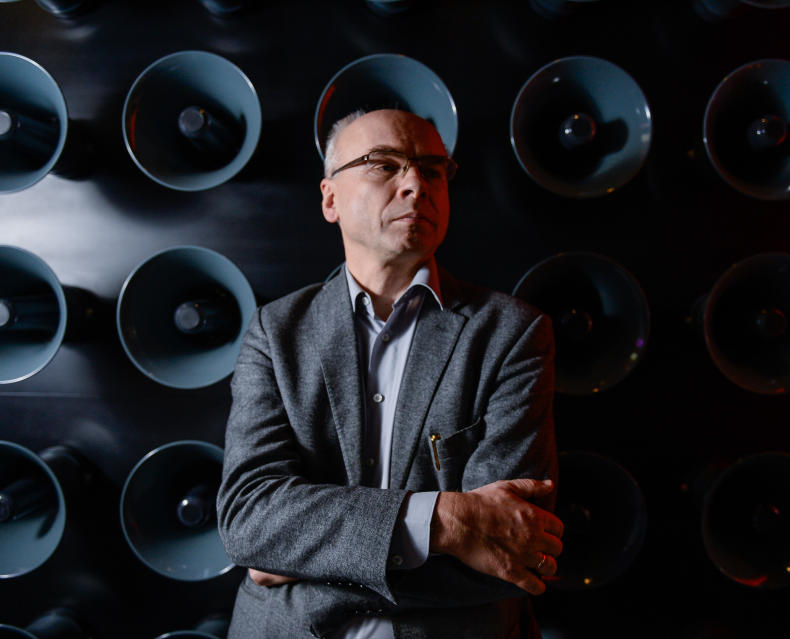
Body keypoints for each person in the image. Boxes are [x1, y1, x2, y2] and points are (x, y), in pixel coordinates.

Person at [217, 109, 563, 638]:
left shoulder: (512, 335)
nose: (415, 186)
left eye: (432, 170)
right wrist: (451, 521)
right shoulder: (275, 331)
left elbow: (515, 550)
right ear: (330, 198)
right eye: (384, 165)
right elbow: (249, 519)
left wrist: (294, 556)